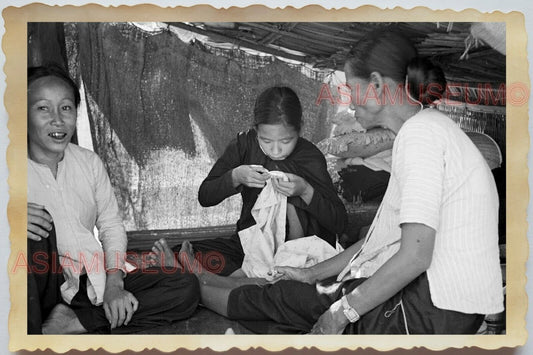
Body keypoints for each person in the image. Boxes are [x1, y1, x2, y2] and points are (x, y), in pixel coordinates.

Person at [163, 30, 504, 334]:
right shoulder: (426, 130)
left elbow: (415, 256)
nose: (350, 101)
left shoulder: (420, 137)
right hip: (442, 307)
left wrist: (341, 313)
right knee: (290, 290)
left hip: (429, 312)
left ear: (376, 85)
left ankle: (186, 284)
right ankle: (194, 279)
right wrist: (313, 274)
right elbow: (380, 242)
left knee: (287, 301)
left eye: (351, 88)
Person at [27, 64, 200, 334]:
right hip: (41, 286)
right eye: (42, 108)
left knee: (183, 286)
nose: (57, 120)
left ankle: (75, 322)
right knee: (29, 228)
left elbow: (110, 225)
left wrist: (114, 282)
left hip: (94, 275)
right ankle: (76, 318)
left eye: (66, 107)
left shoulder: (88, 162)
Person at [152, 87, 346, 282]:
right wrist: (235, 177)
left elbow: (339, 222)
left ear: (300, 129)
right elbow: (205, 196)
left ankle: (211, 279)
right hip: (250, 245)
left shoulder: (309, 156)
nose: (276, 150)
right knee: (188, 251)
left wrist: (305, 190)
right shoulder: (244, 146)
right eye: (266, 140)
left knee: (285, 279)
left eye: (286, 140)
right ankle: (241, 280)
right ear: (256, 130)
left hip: (298, 250)